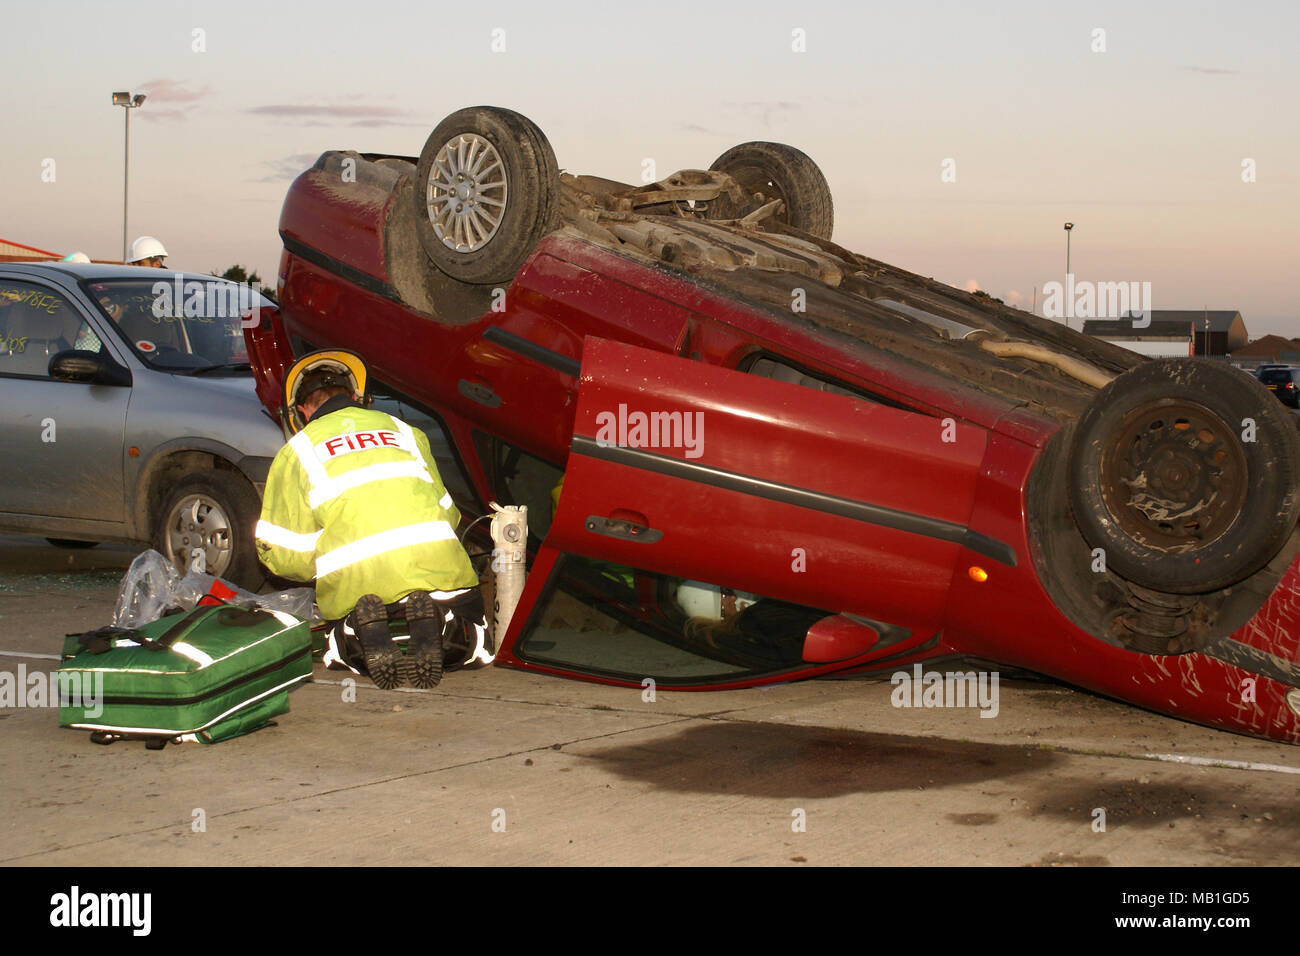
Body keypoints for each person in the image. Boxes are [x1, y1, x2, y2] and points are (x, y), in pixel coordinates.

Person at [254, 349, 491, 689]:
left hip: (357, 589)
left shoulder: (296, 452)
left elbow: (284, 557)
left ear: (302, 411)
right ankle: (445, 623)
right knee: (475, 647)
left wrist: (323, 564)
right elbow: (449, 515)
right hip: (442, 577)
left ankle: (354, 634)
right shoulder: (407, 432)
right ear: (356, 398)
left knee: (336, 651)